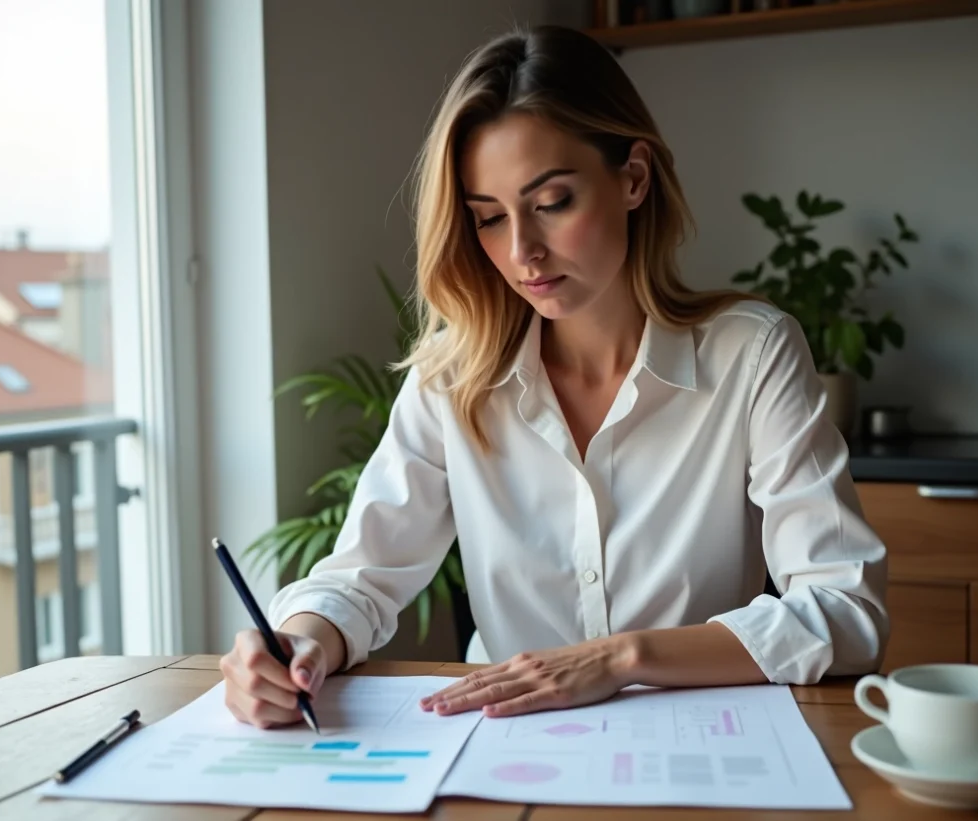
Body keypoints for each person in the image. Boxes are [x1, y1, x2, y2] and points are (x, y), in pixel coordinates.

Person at [220, 24, 888, 729]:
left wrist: (621, 657)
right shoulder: (454, 378)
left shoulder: (751, 355)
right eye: (488, 219)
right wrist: (299, 642)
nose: (522, 252)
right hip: (502, 745)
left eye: (551, 203)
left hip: (697, 744)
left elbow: (845, 607)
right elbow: (361, 576)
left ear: (633, 178)